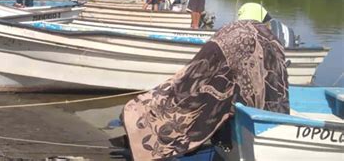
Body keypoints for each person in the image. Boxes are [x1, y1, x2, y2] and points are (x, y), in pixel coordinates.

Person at [122, 19, 289, 160]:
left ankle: (138, 117)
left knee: (185, 88)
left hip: (224, 41)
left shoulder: (259, 35)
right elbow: (273, 97)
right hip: (238, 45)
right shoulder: (271, 47)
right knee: (202, 103)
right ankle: (147, 135)